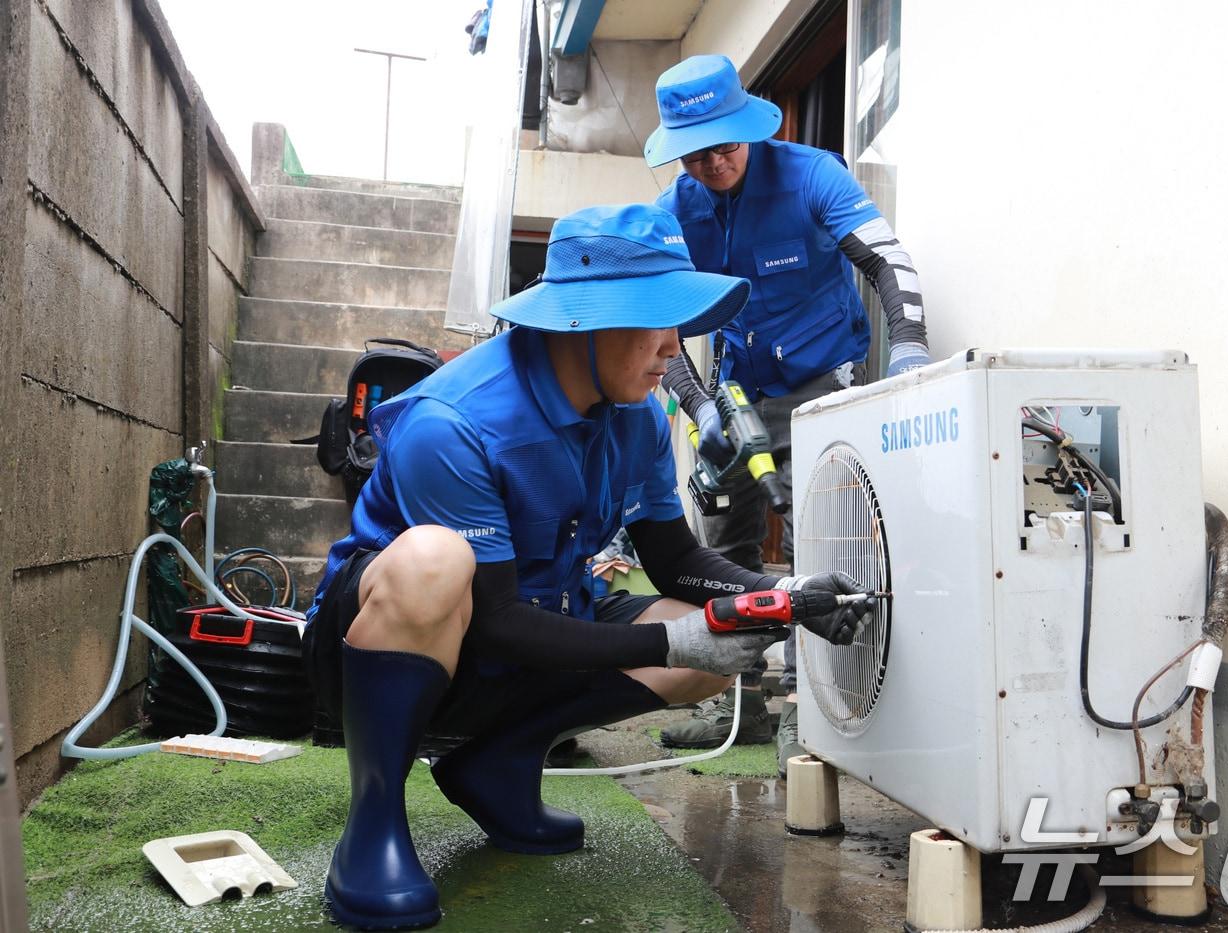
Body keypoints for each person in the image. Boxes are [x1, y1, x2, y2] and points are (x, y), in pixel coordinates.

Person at [302, 203, 873, 931]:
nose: (675, 346)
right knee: (434, 561)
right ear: (585, 320)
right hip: (397, 644)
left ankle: (501, 765)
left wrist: (784, 596)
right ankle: (372, 822)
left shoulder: (634, 412)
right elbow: (499, 619)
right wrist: (668, 641)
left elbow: (673, 559)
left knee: (717, 646)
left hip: (540, 629)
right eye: (656, 320)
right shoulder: (453, 423)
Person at [643, 55, 931, 773]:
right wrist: (700, 404)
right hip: (737, 395)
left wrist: (912, 347)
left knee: (820, 547)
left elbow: (889, 262)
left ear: (748, 127)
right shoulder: (676, 213)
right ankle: (731, 701)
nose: (712, 162)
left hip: (821, 385)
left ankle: (813, 711)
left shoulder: (812, 175)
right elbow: (657, 326)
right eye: (695, 151)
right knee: (719, 545)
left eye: (724, 145)